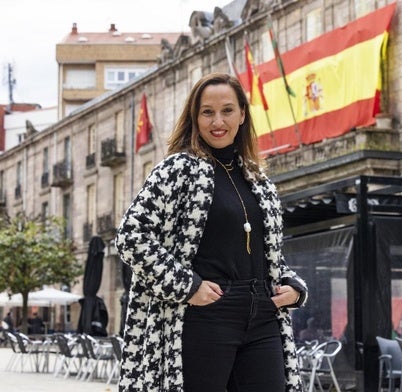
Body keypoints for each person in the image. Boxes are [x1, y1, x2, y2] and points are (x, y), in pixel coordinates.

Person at [116, 72, 308, 392]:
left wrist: (293, 286)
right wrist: (187, 286)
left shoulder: (258, 180)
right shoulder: (177, 169)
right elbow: (131, 236)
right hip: (204, 314)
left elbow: (269, 256)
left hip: (262, 312)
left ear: (243, 115)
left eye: (227, 110)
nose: (218, 121)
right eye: (207, 112)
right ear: (195, 117)